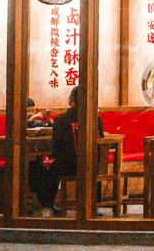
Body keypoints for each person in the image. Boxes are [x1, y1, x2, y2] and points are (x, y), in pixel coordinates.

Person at [30, 86, 104, 215]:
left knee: (45, 167)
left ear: (72, 100)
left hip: (67, 167)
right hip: (91, 166)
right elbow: (100, 143)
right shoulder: (96, 118)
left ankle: (47, 206)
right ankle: (94, 205)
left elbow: (55, 148)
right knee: (93, 165)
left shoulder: (61, 119)